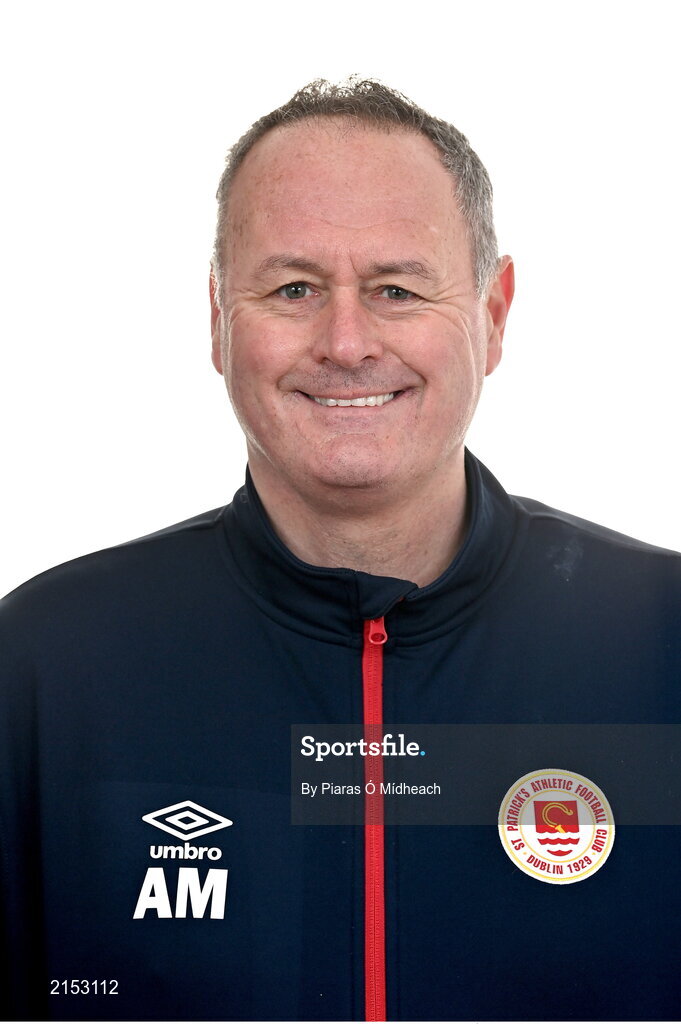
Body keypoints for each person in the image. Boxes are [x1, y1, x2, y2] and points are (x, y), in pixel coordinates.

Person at [1, 77, 679, 1023]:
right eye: (293, 288)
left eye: (397, 289)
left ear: (492, 313)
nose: (346, 341)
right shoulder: (42, 663)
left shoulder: (662, 644)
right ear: (217, 321)